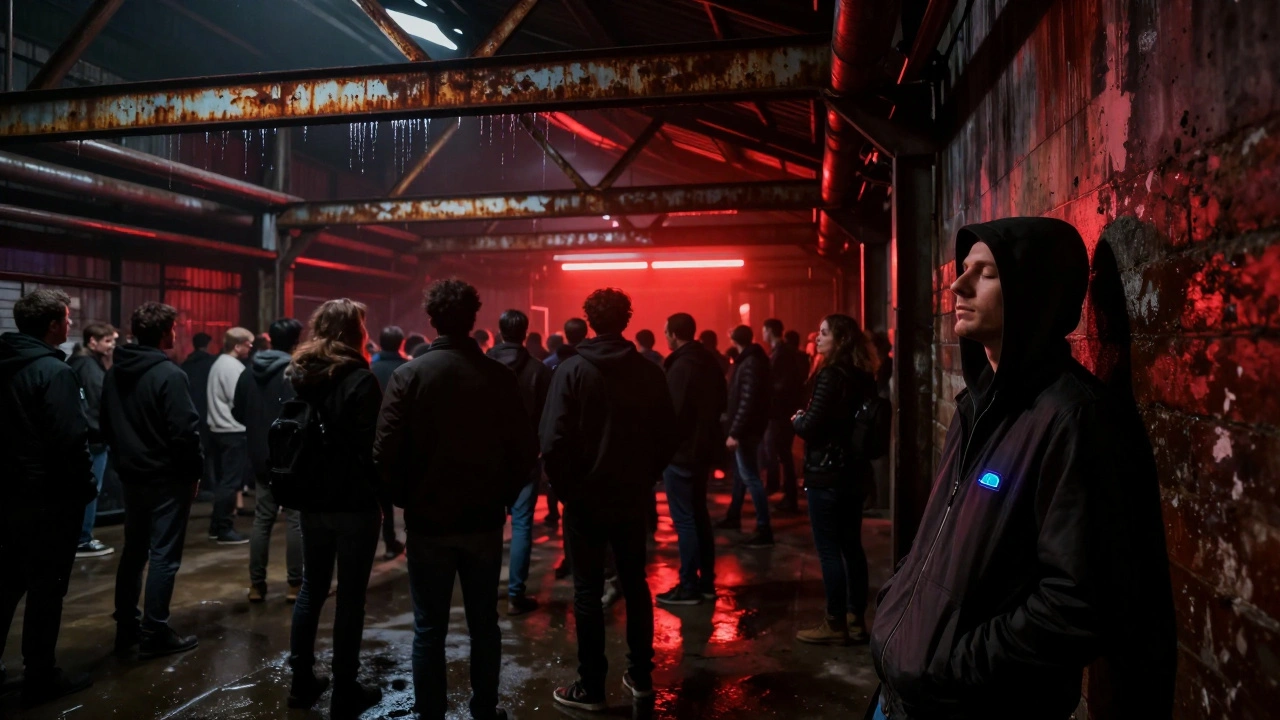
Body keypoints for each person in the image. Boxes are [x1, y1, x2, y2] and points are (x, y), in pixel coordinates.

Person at [869, 218, 1175, 720]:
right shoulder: (975, 407)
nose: (958, 285)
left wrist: (949, 664)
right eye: (965, 268)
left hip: (966, 705)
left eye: (986, 273)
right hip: (904, 695)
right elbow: (937, 542)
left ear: (1034, 292)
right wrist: (897, 608)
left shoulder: (1073, 419)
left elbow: (1076, 604)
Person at [376, 281, 536, 720]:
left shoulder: (410, 376)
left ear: (432, 320)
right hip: (483, 518)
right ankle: (484, 708)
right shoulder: (498, 377)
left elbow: (384, 451)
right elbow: (525, 450)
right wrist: (503, 496)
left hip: (428, 520)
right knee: (484, 623)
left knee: (429, 628)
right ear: (473, 319)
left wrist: (406, 499)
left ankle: (430, 713)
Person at [541, 288, 677, 711]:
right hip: (631, 497)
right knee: (635, 584)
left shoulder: (571, 371)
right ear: (625, 320)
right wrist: (646, 477)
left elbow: (553, 441)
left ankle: (591, 686)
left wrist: (568, 492)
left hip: (585, 500)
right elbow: (667, 435)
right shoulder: (649, 372)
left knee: (587, 591)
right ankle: (641, 676)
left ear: (590, 321)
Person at [284, 299, 384, 718]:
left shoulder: (300, 374)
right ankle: (345, 688)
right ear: (355, 331)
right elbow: (372, 447)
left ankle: (301, 682)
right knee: (350, 597)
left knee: (312, 587)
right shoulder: (360, 379)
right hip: (354, 501)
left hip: (311, 497)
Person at [0, 289, 96, 708]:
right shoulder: (54, 372)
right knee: (46, 590)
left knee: (6, 585)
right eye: (67, 317)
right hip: (49, 500)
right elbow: (69, 439)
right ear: (54, 324)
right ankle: (40, 675)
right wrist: (84, 487)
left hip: (7, 495)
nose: (71, 323)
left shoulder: (6, 363)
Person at [102, 302, 204, 662]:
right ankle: (155, 631)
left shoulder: (115, 372)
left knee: (134, 551)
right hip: (167, 478)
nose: (176, 333)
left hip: (132, 476)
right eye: (173, 328)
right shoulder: (169, 374)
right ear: (165, 332)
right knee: (164, 555)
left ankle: (126, 627)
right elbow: (184, 432)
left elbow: (105, 423)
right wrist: (194, 472)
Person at [791, 314, 878, 645]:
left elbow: (813, 425)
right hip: (854, 473)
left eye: (824, 333)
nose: (817, 338)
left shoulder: (830, 374)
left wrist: (798, 420)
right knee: (852, 546)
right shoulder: (864, 375)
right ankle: (856, 619)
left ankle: (834, 622)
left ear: (840, 340)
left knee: (829, 550)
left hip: (827, 472)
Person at [655, 313, 726, 607]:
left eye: (666, 332)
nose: (665, 337)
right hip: (702, 452)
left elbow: (673, 414)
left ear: (674, 334)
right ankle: (706, 581)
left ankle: (689, 586)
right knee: (699, 516)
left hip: (682, 454)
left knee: (685, 520)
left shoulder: (681, 366)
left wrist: (662, 449)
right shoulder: (708, 361)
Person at [487, 309, 553, 617]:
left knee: (489, 525)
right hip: (526, 457)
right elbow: (546, 416)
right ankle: (516, 594)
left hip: (488, 458)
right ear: (525, 333)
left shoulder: (481, 365)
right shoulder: (539, 370)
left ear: (499, 332)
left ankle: (485, 589)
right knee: (522, 525)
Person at [233, 317, 304, 603]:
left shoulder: (249, 371)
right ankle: (295, 585)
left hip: (261, 454)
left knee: (263, 519)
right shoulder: (295, 373)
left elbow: (238, 412)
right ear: (296, 341)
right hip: (292, 456)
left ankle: (256, 585)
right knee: (295, 519)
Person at [717, 325, 773, 547]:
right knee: (742, 476)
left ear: (733, 339)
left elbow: (746, 401)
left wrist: (735, 432)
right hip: (749, 428)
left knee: (750, 477)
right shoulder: (751, 360)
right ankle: (734, 515)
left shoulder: (749, 362)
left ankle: (764, 529)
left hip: (746, 431)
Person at [69, 321, 119, 558]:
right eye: (108, 341)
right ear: (92, 341)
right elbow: (97, 403)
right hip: (93, 441)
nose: (112, 346)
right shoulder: (89, 367)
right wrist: (104, 431)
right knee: (90, 489)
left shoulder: (81, 363)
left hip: (86, 438)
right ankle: (83, 539)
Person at [206, 327, 254, 544]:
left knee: (223, 481)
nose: (251, 347)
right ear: (237, 345)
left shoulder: (219, 363)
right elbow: (239, 399)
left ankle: (216, 526)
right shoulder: (232, 367)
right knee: (230, 482)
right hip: (233, 431)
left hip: (218, 430)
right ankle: (224, 529)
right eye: (247, 344)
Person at [370, 325, 409, 559]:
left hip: (377, 438)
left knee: (381, 498)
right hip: (404, 440)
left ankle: (387, 542)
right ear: (401, 343)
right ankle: (408, 541)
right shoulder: (408, 368)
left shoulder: (371, 369)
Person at [181, 332, 217, 498]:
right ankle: (209, 485)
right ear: (208, 345)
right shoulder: (212, 363)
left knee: (196, 449)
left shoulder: (186, 364)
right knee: (210, 452)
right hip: (208, 411)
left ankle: (197, 485)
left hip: (191, 411)